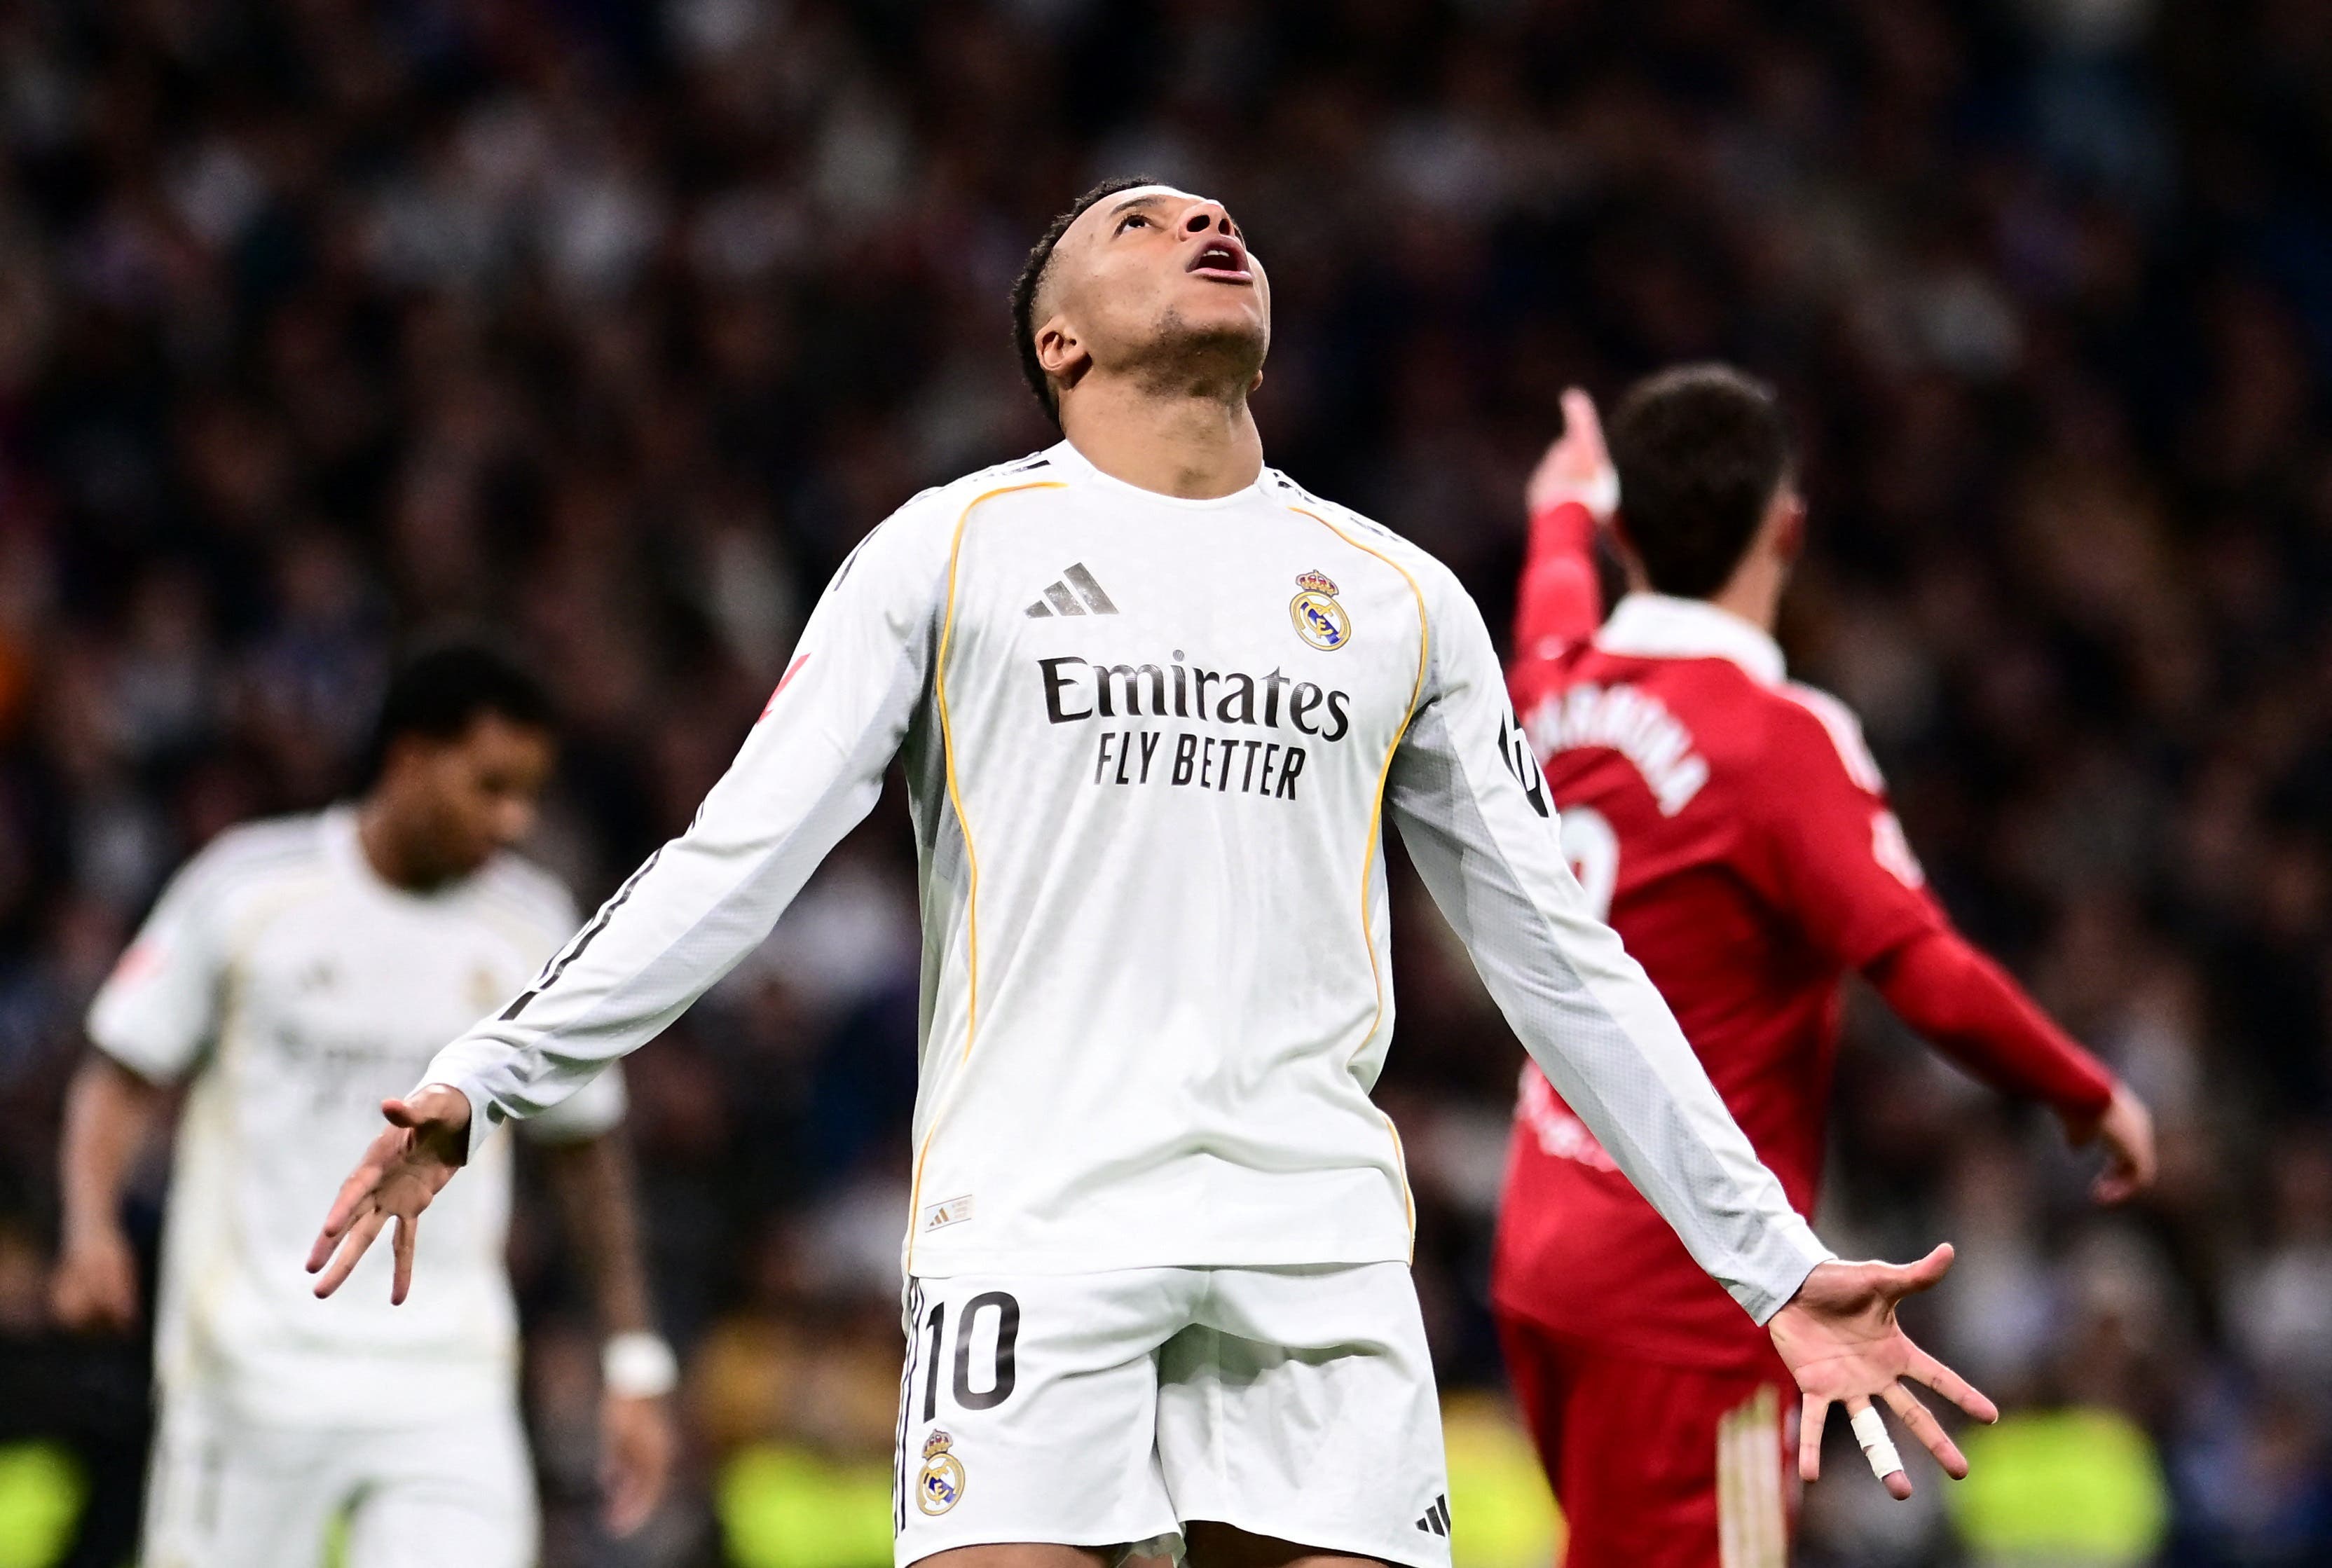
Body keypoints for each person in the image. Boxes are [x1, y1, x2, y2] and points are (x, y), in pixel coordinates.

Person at [307, 182, 1993, 1568]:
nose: (1205, 224)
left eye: (1219, 218)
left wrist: (1769, 1263)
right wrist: (488, 1073)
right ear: (1058, 341)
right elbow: (733, 857)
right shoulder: (948, 550)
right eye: (1141, 222)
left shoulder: (1397, 597)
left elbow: (1560, 957)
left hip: (1313, 1243)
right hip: (1036, 1226)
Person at [1493, 366, 2160, 1568]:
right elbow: (1925, 972)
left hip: (1544, 1251)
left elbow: (1550, 605)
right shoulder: (1780, 739)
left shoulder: (1551, 688)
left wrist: (1559, 510)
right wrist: (2090, 1091)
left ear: (1623, 532)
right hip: (1698, 1283)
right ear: (1788, 528)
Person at [51, 642, 677, 1567]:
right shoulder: (247, 890)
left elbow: (586, 1148)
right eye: (490, 786)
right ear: (411, 758)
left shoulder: (533, 926)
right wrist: (90, 1227)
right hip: (251, 1371)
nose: (514, 819)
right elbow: (120, 1072)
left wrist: (632, 1357)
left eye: (528, 794)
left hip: (445, 1387)